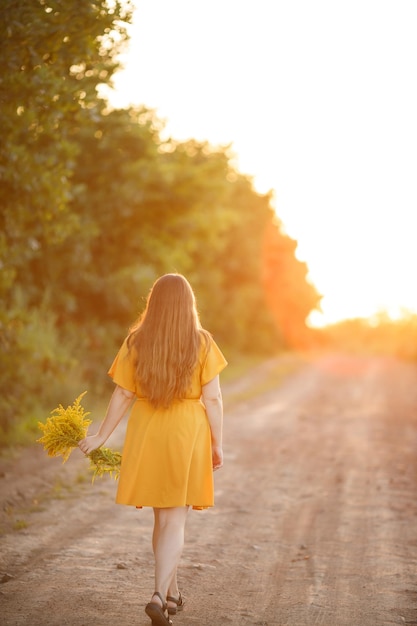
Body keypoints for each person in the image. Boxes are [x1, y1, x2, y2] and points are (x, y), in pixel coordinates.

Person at [78, 273, 227, 626]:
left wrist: (101, 436)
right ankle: (159, 595)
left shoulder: (136, 342)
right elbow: (214, 398)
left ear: (153, 303)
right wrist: (217, 442)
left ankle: (172, 592)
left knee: (162, 516)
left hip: (148, 430)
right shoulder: (202, 342)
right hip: (186, 431)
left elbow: (124, 394)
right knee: (175, 517)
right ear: (188, 305)